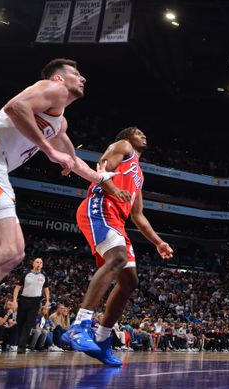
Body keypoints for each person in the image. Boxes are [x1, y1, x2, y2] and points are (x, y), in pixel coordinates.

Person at [0, 59, 119, 304]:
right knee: (5, 249)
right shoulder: (53, 88)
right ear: (59, 78)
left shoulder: (59, 121)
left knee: (13, 253)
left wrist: (102, 177)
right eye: (76, 73)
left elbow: (73, 160)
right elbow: (16, 106)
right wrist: (49, 151)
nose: (83, 78)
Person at [62, 127, 174, 366]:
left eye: (145, 133)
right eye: (138, 132)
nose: (144, 135)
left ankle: (102, 340)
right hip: (100, 207)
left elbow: (138, 215)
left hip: (117, 221)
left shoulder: (139, 175)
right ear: (127, 136)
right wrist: (113, 189)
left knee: (130, 281)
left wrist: (158, 242)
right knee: (118, 257)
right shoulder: (123, 146)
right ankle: (79, 325)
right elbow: (99, 171)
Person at [12, 257, 50, 354]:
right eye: (37, 262)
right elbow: (17, 288)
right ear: (33, 264)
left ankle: (21, 346)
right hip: (24, 299)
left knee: (29, 324)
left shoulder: (44, 276)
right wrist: (14, 301)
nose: (39, 264)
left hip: (36, 301)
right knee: (20, 322)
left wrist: (47, 301)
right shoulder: (26, 274)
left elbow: (46, 289)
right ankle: (22, 344)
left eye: (41, 262)